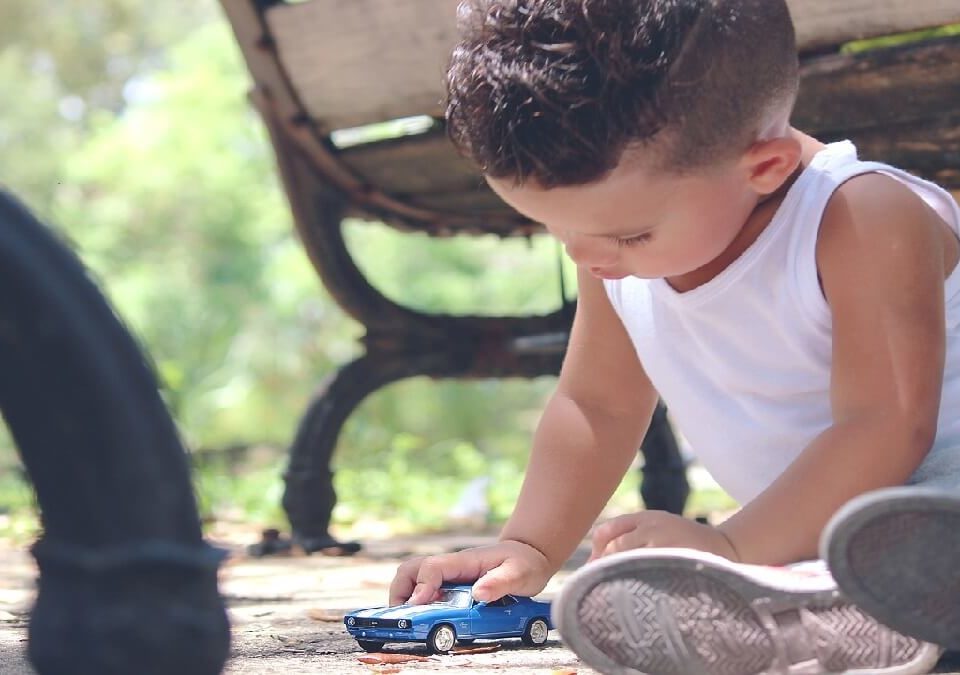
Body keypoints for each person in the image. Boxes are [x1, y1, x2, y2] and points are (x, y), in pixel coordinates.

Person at [388, 1, 960, 671]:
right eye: (556, 230)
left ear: (766, 166)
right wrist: (530, 545)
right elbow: (596, 404)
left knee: (911, 541)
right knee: (845, 567)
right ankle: (833, 618)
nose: (585, 257)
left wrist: (731, 551)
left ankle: (849, 604)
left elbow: (884, 424)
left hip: (932, 509)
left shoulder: (861, 216)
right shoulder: (619, 249)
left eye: (627, 234)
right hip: (830, 544)